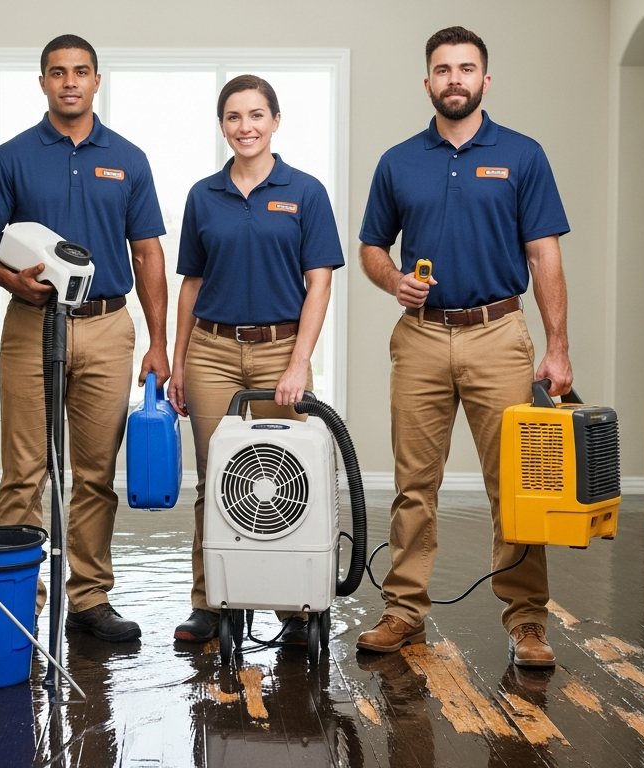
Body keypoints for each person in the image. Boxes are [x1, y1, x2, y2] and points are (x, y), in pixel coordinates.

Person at [355, 26, 572, 667]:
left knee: (519, 486)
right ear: (428, 82)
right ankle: (403, 611)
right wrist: (391, 277)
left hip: (500, 333)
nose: (455, 79)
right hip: (421, 339)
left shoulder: (523, 155)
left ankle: (528, 621)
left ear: (484, 80)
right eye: (443, 70)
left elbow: (544, 255)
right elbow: (371, 245)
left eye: (466, 68)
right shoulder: (399, 161)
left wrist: (557, 348)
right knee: (413, 483)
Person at [0, 34, 170, 642]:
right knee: (25, 470)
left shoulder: (128, 159)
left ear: (96, 81)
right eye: (58, 73)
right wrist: (9, 281)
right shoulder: (12, 157)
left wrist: (159, 341)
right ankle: (17, 601)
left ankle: (88, 598)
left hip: (108, 326)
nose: (70, 82)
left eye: (81, 72)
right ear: (43, 83)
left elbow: (149, 252)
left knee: (95, 472)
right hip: (32, 323)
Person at [167, 75, 345, 645]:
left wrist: (298, 364)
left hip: (278, 351)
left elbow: (319, 285)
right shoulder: (204, 195)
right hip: (212, 353)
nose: (245, 127)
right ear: (222, 125)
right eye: (234, 117)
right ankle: (211, 604)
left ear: (275, 121)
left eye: (256, 115)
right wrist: (179, 362)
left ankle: (295, 610)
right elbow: (191, 285)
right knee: (214, 480)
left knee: (287, 481)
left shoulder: (306, 192)